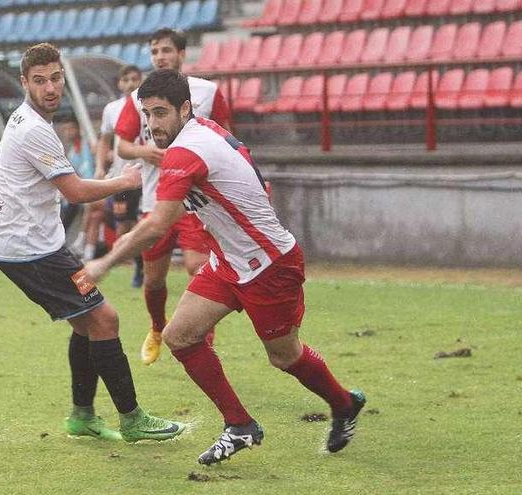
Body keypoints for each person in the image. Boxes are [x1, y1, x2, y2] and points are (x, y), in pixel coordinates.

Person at [88, 69, 366, 465]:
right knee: (180, 336)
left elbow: (157, 224)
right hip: (230, 263)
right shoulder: (203, 131)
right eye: (147, 114)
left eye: (161, 112)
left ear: (185, 108)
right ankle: (239, 425)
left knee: (284, 357)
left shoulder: (187, 151)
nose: (152, 124)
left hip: (269, 267)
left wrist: (104, 261)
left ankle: (343, 404)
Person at [0, 43, 184, 443]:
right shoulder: (36, 130)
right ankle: (132, 419)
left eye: (55, 78)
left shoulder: (28, 120)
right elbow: (74, 192)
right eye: (39, 81)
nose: (50, 88)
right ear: (25, 82)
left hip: (29, 246)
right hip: (32, 251)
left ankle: (82, 415)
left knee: (88, 322)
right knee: (105, 319)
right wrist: (126, 182)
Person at [114, 28, 231, 365]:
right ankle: (155, 327)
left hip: (196, 202)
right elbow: (121, 145)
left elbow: (225, 136)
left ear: (182, 54)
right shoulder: (140, 97)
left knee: (198, 266)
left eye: (166, 50)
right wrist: (145, 152)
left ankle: (202, 338)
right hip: (155, 200)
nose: (160, 57)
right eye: (154, 52)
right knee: (153, 281)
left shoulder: (208, 92)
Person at [96, 64, 144, 286]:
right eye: (126, 80)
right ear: (119, 83)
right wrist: (100, 167)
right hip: (121, 175)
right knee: (124, 225)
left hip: (145, 174)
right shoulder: (111, 109)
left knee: (136, 224)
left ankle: (139, 268)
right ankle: (138, 263)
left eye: (135, 79)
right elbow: (104, 140)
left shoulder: (147, 106)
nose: (130, 84)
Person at [57, 115, 101, 260]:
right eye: (65, 130)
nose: (68, 132)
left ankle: (79, 240)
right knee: (67, 202)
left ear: (78, 129)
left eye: (70, 128)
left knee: (85, 202)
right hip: (87, 189)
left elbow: (87, 174)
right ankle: (63, 242)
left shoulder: (87, 145)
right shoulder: (72, 152)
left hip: (98, 187)